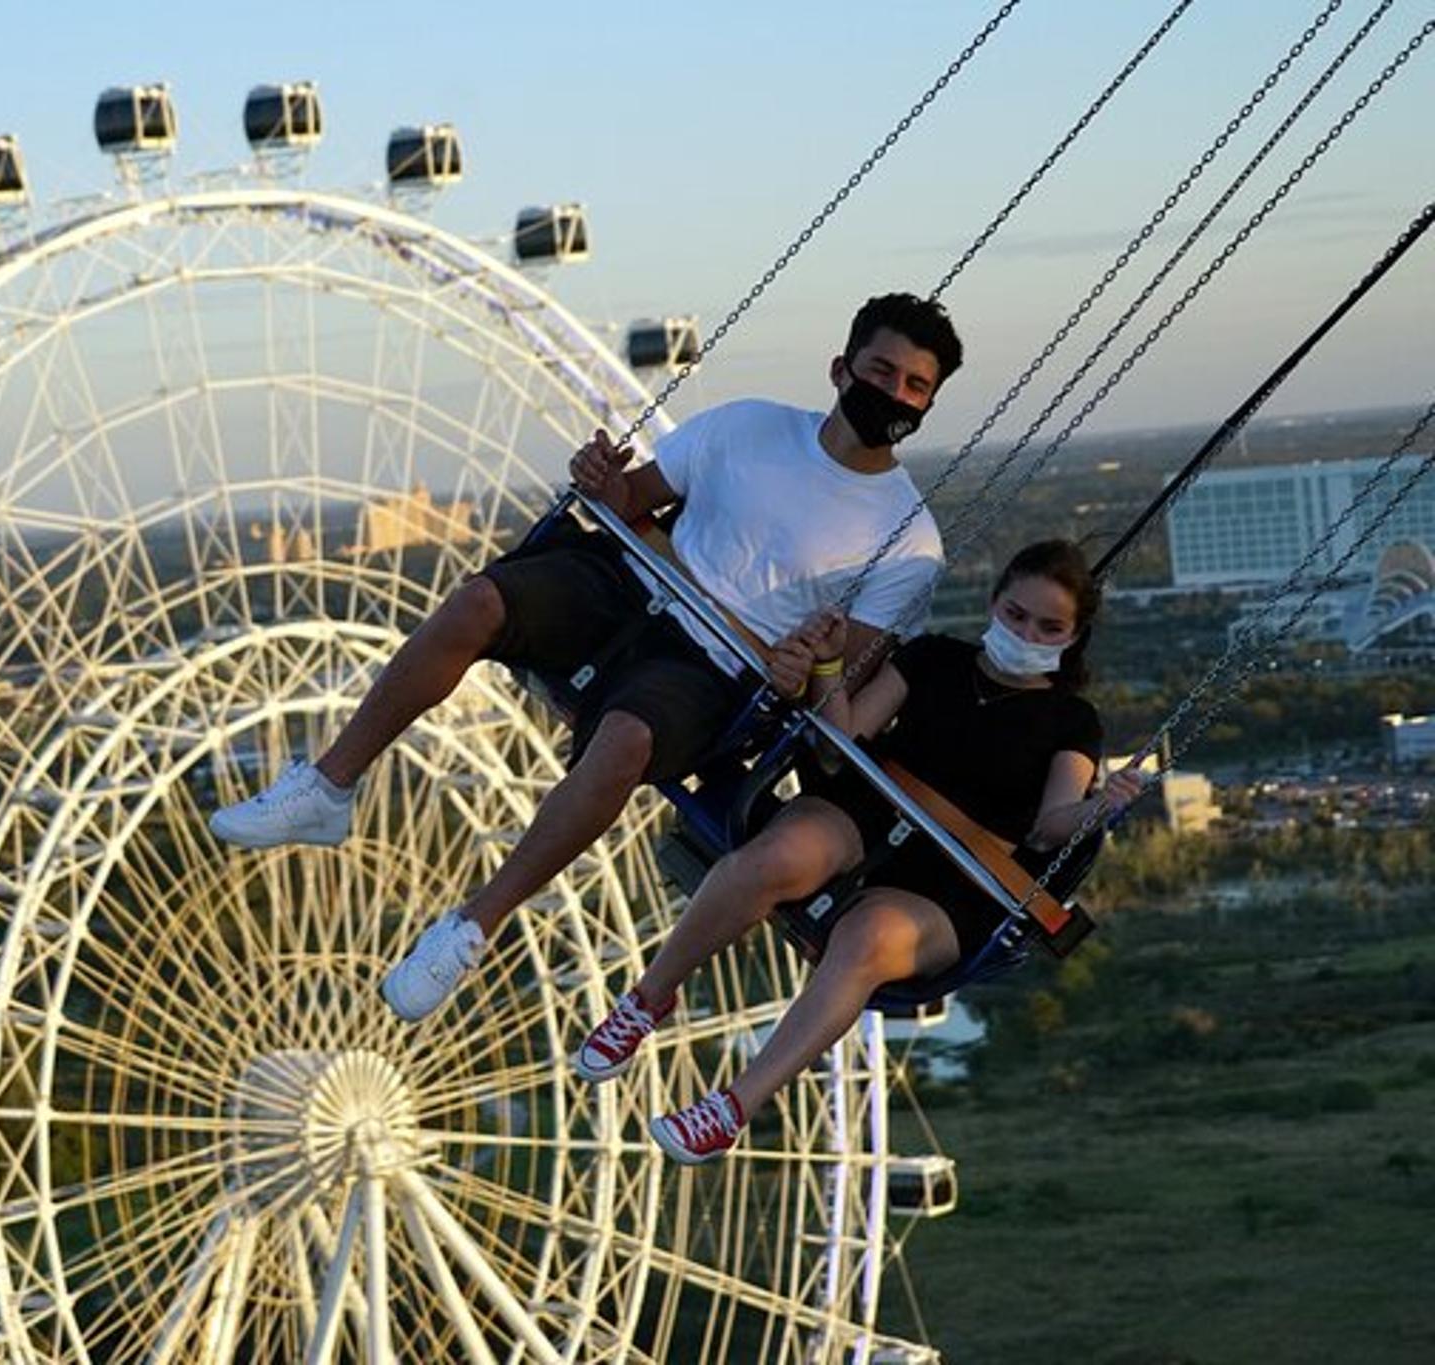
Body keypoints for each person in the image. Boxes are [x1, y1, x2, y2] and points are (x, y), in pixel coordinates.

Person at [209, 293, 962, 1023]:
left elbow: (837, 678)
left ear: (929, 403)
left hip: (714, 668)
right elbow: (628, 497)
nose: (893, 391)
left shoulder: (908, 539)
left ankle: (470, 929)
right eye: (881, 370)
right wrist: (602, 479)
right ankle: (327, 786)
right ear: (840, 368)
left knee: (627, 741)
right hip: (625, 583)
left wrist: (799, 663)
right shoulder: (747, 426)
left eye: (915, 385)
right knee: (478, 602)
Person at [568, 539, 1146, 1163]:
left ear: (1072, 636)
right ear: (993, 602)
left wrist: (1102, 805)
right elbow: (841, 740)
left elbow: (1049, 828)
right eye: (1015, 615)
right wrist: (828, 667)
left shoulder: (1071, 721)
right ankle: (648, 999)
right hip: (868, 810)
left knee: (868, 937)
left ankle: (733, 1106)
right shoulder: (930, 659)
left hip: (959, 876)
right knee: (772, 858)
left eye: (1047, 626)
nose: (1026, 631)